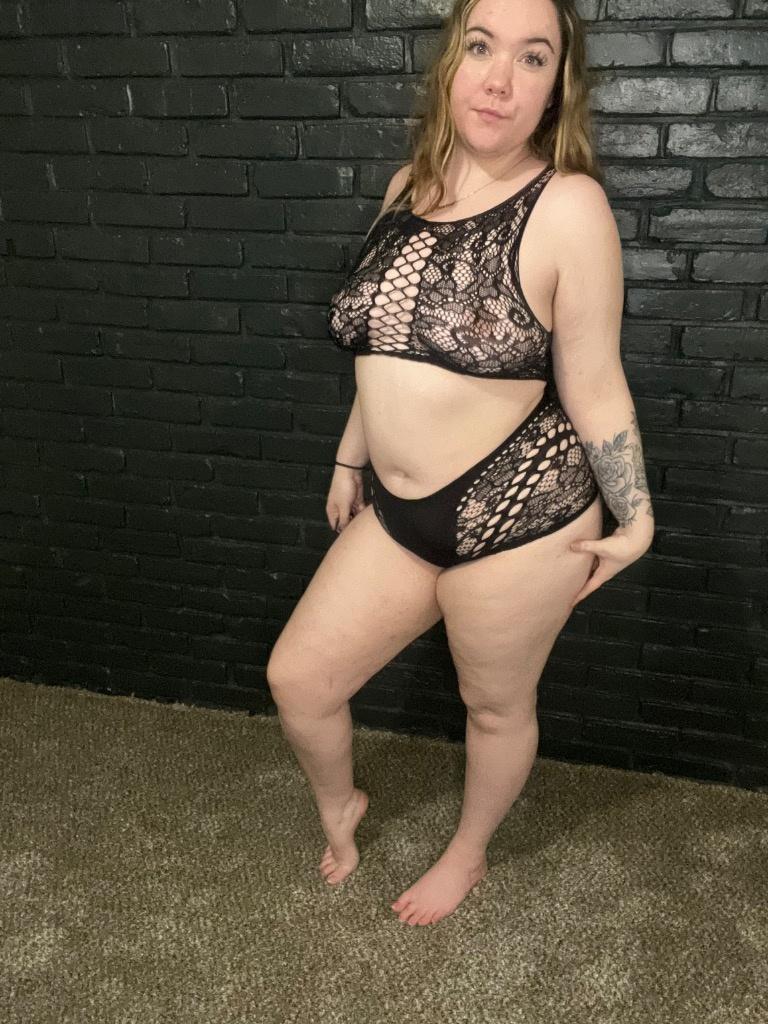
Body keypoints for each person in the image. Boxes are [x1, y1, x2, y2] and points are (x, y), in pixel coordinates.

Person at [266, 0, 654, 927]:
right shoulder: (408, 186)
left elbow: (595, 384)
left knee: (494, 707)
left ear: (557, 87)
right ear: (451, 62)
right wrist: (349, 456)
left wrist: (637, 515)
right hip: (399, 511)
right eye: (482, 47)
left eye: (533, 57)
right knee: (299, 680)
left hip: (523, 511)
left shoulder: (569, 207)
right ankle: (342, 806)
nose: (499, 79)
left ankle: (469, 853)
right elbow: (385, 342)